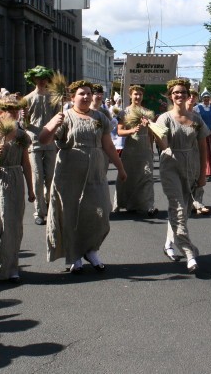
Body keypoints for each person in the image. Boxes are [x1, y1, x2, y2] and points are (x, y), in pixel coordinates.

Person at [40, 80, 127, 274]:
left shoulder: (100, 117)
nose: (86, 97)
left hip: (96, 171)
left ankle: (91, 249)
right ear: (72, 97)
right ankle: (75, 255)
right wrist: (52, 125)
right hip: (69, 173)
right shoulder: (65, 116)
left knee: (100, 212)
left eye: (88, 93)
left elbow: (109, 146)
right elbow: (44, 140)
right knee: (71, 214)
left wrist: (121, 168)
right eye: (81, 94)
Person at [0, 94, 36, 283]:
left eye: (16, 111)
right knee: (1, 224)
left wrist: (31, 189)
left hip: (16, 179)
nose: (13, 114)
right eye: (9, 111)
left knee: (14, 226)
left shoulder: (21, 136)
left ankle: (12, 265)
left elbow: (26, 164)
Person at [156, 79, 209, 273]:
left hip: (191, 166)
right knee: (178, 209)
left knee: (184, 212)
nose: (180, 95)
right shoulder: (164, 118)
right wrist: (159, 138)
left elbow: (203, 147)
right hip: (170, 165)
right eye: (176, 93)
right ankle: (189, 253)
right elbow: (162, 142)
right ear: (171, 96)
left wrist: (202, 174)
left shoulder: (196, 119)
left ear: (189, 96)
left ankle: (170, 243)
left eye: (183, 92)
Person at [22, 66, 60, 226]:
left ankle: (49, 205)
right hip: (34, 141)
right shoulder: (28, 98)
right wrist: (22, 118)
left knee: (51, 176)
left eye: (44, 78)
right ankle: (39, 211)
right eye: (39, 78)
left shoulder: (53, 97)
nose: (42, 81)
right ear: (34, 80)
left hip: (50, 141)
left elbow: (59, 117)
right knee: (37, 177)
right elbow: (24, 124)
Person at [114, 85, 159, 217]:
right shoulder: (124, 112)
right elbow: (119, 131)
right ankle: (125, 203)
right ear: (130, 96)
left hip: (145, 149)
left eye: (140, 94)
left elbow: (151, 134)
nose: (138, 97)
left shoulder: (148, 113)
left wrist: (151, 148)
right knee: (129, 177)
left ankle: (148, 206)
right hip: (131, 149)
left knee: (147, 176)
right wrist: (131, 131)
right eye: (135, 94)